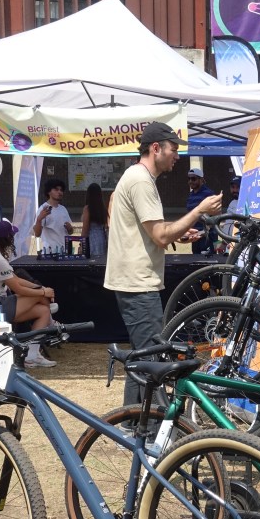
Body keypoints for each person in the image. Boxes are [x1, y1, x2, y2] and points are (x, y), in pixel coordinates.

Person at [105, 121, 222, 406]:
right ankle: (147, 424)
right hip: (137, 282)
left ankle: (132, 420)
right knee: (151, 358)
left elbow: (150, 229)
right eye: (173, 149)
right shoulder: (142, 180)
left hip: (134, 280)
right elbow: (159, 235)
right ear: (155, 148)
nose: (177, 156)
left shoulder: (137, 176)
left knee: (143, 354)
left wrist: (181, 230)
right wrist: (198, 210)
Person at [0, 219, 58, 368]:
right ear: (5, 238)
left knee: (43, 310)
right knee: (40, 297)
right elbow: (18, 288)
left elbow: (17, 280)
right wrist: (42, 291)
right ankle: (53, 326)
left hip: (0, 303)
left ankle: (32, 355)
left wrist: (41, 288)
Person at [32, 178, 73, 254]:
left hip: (65, 252)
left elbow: (70, 232)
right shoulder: (43, 209)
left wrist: (70, 228)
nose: (59, 192)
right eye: (56, 190)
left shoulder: (63, 209)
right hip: (51, 253)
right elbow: (37, 234)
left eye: (61, 190)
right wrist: (39, 219)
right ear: (49, 192)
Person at [185, 168, 218, 254]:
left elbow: (215, 218)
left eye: (193, 179)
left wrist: (215, 241)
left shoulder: (209, 194)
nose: (190, 181)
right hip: (194, 237)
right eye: (189, 179)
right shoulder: (190, 195)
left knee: (207, 263)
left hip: (207, 238)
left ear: (201, 179)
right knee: (195, 262)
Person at [81, 183, 108, 258]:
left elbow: (85, 229)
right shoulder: (103, 209)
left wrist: (81, 244)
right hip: (102, 237)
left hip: (92, 238)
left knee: (91, 262)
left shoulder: (87, 209)